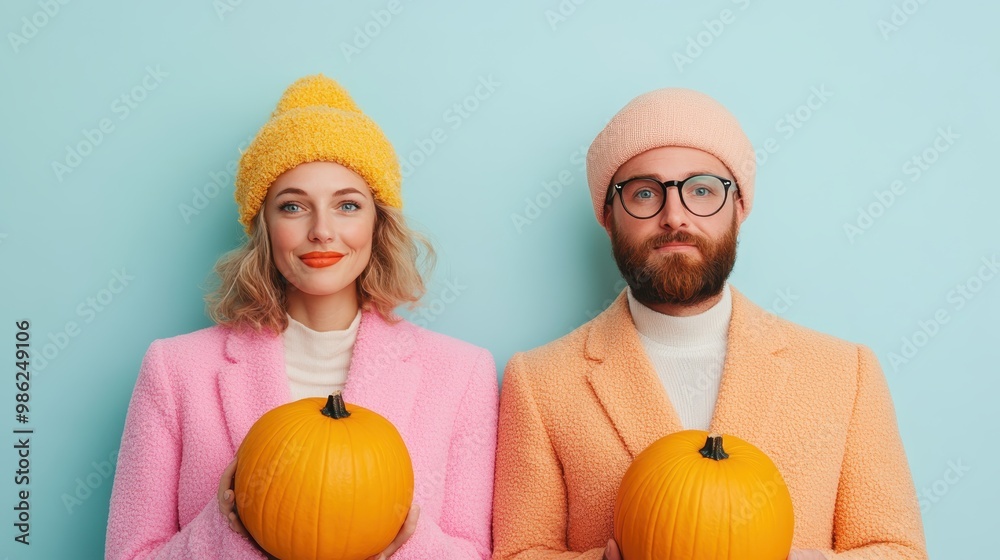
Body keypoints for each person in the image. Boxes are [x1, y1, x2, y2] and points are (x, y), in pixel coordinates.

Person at [492, 89, 927, 560]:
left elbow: (896, 549)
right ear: (608, 217)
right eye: (644, 193)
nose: (674, 216)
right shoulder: (539, 382)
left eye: (702, 190)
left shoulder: (846, 374)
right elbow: (520, 551)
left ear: (738, 208)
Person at [106, 74, 498, 560]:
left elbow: (476, 554)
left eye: (347, 205)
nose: (321, 231)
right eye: (292, 206)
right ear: (264, 226)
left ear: (378, 223)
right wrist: (228, 525)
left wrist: (397, 541)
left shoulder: (461, 375)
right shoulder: (174, 370)